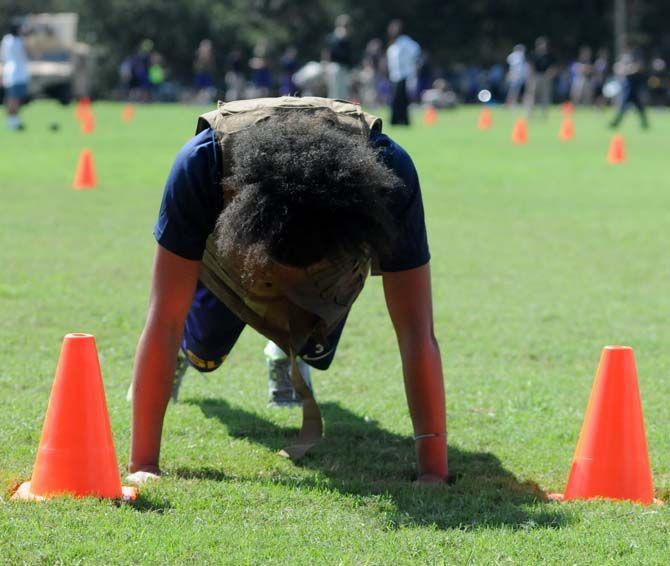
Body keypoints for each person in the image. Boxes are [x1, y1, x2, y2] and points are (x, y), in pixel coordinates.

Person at [126, 96, 447, 485]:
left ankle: (284, 348)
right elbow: (164, 319)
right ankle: (191, 355)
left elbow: (416, 330)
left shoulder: (390, 171)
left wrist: (433, 470)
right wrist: (144, 465)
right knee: (203, 350)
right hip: (234, 260)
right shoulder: (203, 164)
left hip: (332, 263)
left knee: (311, 343)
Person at [386, 20, 421, 125]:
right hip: (394, 76)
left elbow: (416, 51)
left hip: (404, 75)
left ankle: (404, 121)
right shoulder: (393, 44)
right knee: (395, 100)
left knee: (402, 101)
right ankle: (395, 121)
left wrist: (412, 66)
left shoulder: (405, 41)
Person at [609, 47, 649, 129]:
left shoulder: (635, 62)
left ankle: (645, 124)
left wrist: (632, 69)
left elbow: (640, 68)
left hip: (634, 90)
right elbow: (619, 70)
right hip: (627, 90)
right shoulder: (624, 63)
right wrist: (630, 69)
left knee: (640, 108)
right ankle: (615, 123)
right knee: (622, 108)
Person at [1, 20, 30, 131]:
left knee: (10, 99)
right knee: (15, 100)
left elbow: (3, 57)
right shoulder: (20, 41)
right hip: (18, 74)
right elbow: (27, 55)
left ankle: (12, 121)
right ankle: (14, 122)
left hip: (9, 73)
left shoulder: (6, 40)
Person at [322, 14, 353, 100]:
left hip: (342, 68)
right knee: (335, 95)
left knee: (341, 94)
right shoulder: (334, 37)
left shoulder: (344, 38)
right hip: (335, 67)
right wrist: (325, 66)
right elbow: (327, 52)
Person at [525, 37, 556, 117]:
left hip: (545, 77)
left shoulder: (549, 56)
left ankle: (544, 113)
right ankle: (530, 112)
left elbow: (553, 67)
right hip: (535, 76)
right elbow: (530, 66)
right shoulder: (533, 55)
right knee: (531, 95)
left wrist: (549, 74)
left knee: (545, 95)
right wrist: (532, 76)